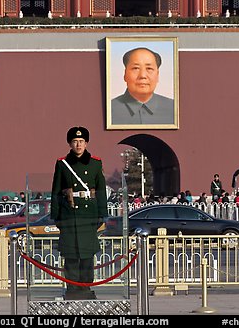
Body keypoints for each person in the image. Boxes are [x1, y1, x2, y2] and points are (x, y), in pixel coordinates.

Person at [51, 126, 108, 300]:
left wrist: (101, 214)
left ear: (86, 143)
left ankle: (86, 287)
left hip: (88, 214)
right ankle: (73, 288)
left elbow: (100, 190)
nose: (78, 144)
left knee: (86, 255)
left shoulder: (95, 163)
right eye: (75, 141)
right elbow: (56, 191)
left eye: (81, 141)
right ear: (70, 143)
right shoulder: (62, 163)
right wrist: (57, 217)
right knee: (71, 255)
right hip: (69, 214)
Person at [111, 47, 174, 125]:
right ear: (125, 74)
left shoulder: (174, 108)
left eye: (149, 68)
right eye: (136, 68)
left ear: (157, 75)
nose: (143, 75)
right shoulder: (109, 109)